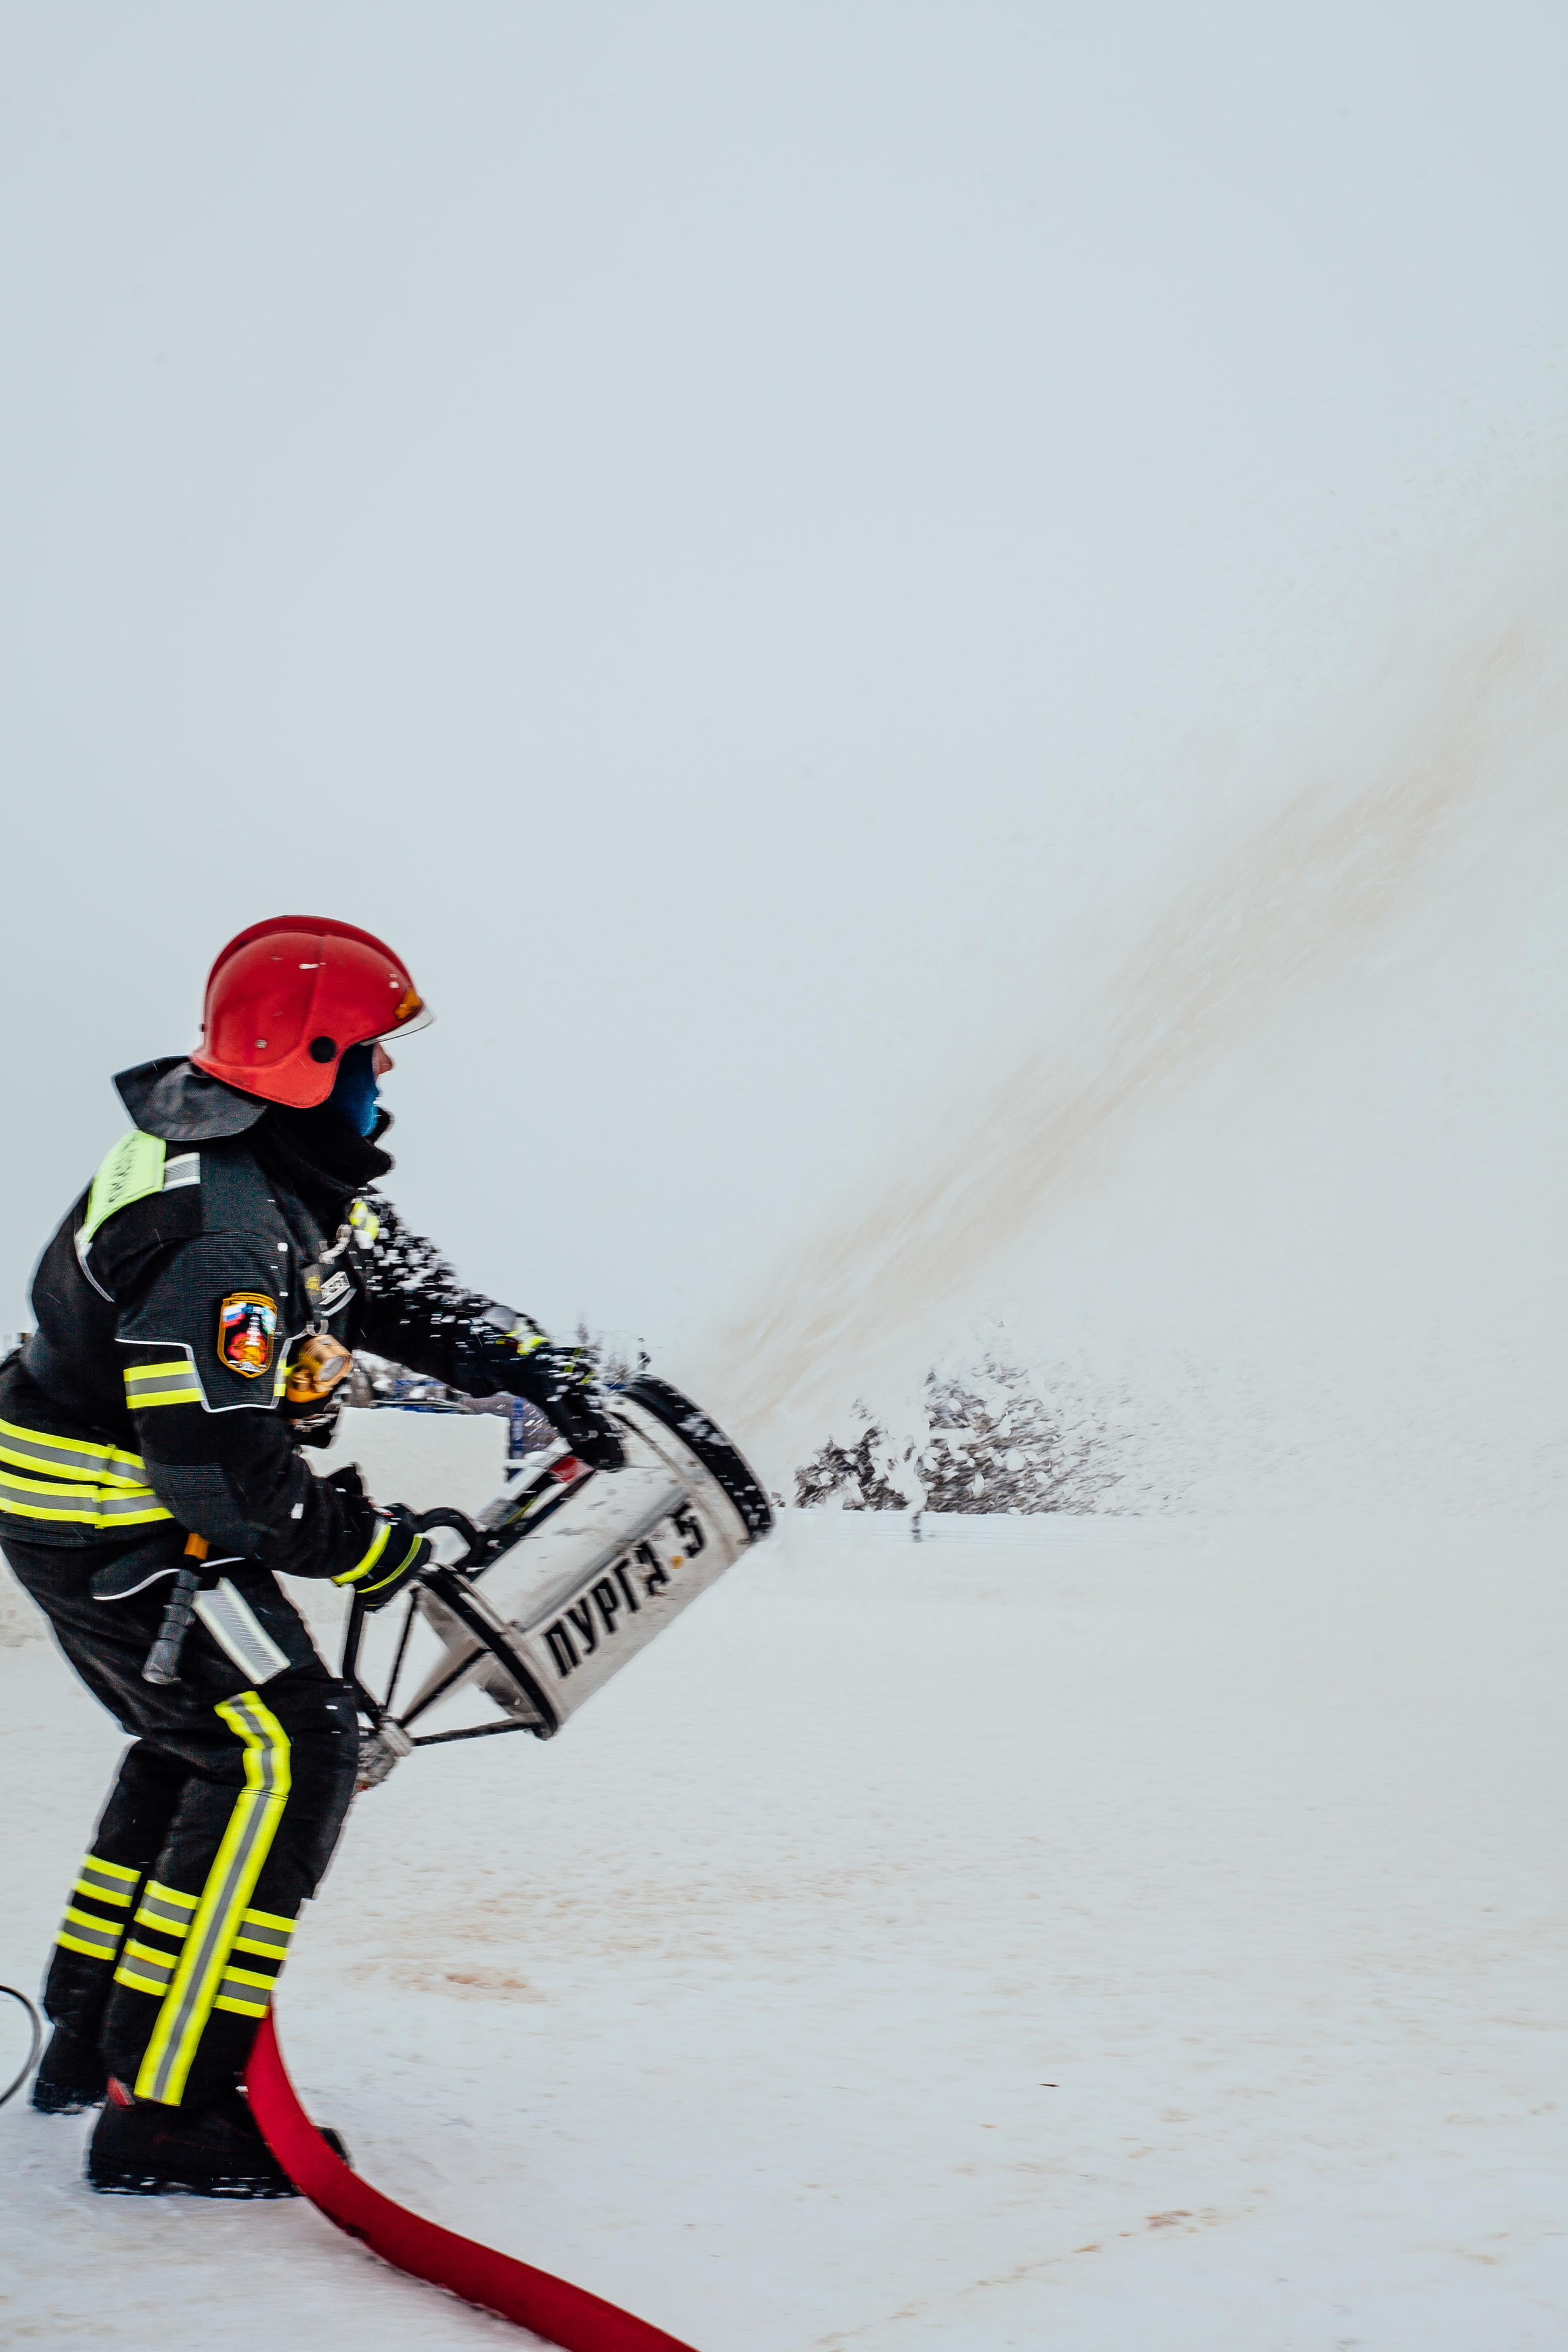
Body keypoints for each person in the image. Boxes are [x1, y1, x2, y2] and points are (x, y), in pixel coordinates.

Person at [0, 916, 624, 2196]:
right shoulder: (223, 1228)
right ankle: (169, 2107)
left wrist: (536, 1371)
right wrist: (366, 1547)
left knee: (201, 1742)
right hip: (118, 1531)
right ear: (309, 1056)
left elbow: (394, 1297)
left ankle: (91, 2035)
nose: (385, 1081)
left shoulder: (272, 1172)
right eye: (371, 1057)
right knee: (294, 1745)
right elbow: (218, 1473)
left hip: (127, 1517)